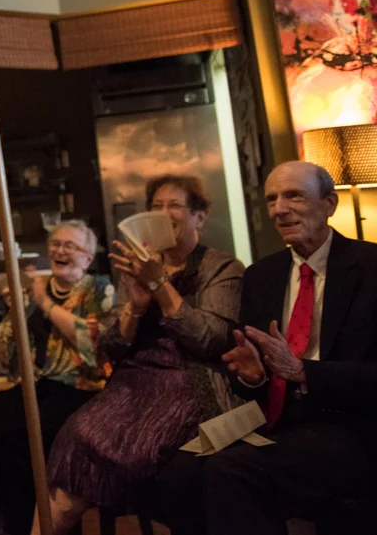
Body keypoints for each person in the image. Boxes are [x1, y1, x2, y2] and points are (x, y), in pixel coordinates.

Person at [155, 161, 377, 535]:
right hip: (274, 419)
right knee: (176, 475)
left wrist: (304, 372)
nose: (279, 209)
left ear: (329, 203)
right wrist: (254, 376)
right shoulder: (262, 275)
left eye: (294, 196)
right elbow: (249, 372)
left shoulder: (370, 267)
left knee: (230, 472)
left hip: (349, 424)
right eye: (272, 199)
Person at [35, 176, 244, 534]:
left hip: (190, 382)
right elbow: (112, 347)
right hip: (133, 383)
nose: (164, 213)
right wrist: (135, 305)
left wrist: (160, 285)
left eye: (174, 205)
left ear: (199, 216)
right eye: (156, 206)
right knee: (77, 432)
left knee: (135, 443)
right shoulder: (136, 267)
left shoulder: (222, 267)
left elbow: (210, 340)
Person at [0, 220, 114, 535]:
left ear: (88, 258)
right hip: (38, 386)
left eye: (70, 245)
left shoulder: (98, 289)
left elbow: (94, 347)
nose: (60, 251)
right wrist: (15, 312)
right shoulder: (34, 291)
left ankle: (52, 524)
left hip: (83, 388)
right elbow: (8, 358)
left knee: (44, 434)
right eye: (55, 244)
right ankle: (21, 523)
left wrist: (44, 303)